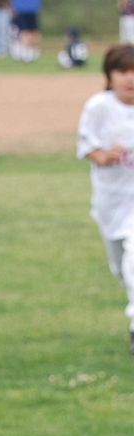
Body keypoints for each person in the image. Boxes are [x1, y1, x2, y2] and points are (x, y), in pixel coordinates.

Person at [77, 43, 134, 354]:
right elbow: (88, 147)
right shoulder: (99, 106)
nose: (130, 79)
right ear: (109, 75)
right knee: (120, 267)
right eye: (123, 71)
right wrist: (104, 156)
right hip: (111, 200)